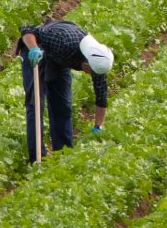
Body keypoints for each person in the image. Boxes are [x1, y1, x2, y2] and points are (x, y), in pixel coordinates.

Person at [16, 18, 114, 161]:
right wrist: (33, 49)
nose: (88, 73)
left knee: (62, 105)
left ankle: (62, 155)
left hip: (59, 60)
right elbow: (27, 29)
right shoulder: (63, 40)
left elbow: (101, 96)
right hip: (37, 50)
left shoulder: (98, 61)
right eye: (89, 70)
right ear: (86, 63)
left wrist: (98, 126)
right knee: (35, 105)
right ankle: (37, 158)